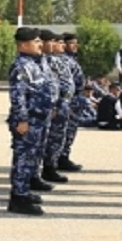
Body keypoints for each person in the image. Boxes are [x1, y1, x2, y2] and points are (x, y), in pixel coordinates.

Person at [6, 27, 54, 216]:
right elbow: (18, 96)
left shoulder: (35, 63)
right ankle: (18, 198)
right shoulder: (21, 66)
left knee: (32, 158)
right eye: (36, 42)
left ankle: (23, 192)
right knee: (23, 160)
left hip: (39, 119)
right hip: (28, 120)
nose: (40, 44)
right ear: (24, 45)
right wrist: (22, 119)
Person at [42, 31, 74, 184]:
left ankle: (51, 165)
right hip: (54, 105)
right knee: (51, 138)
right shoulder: (47, 61)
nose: (58, 45)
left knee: (58, 137)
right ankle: (48, 167)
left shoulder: (58, 60)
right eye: (54, 42)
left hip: (62, 104)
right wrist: (57, 104)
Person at [59, 33, 85, 172]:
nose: (75, 46)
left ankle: (64, 155)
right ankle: (61, 158)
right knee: (65, 131)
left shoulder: (72, 59)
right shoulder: (64, 60)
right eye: (71, 43)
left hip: (76, 100)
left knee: (70, 131)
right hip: (69, 100)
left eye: (76, 43)